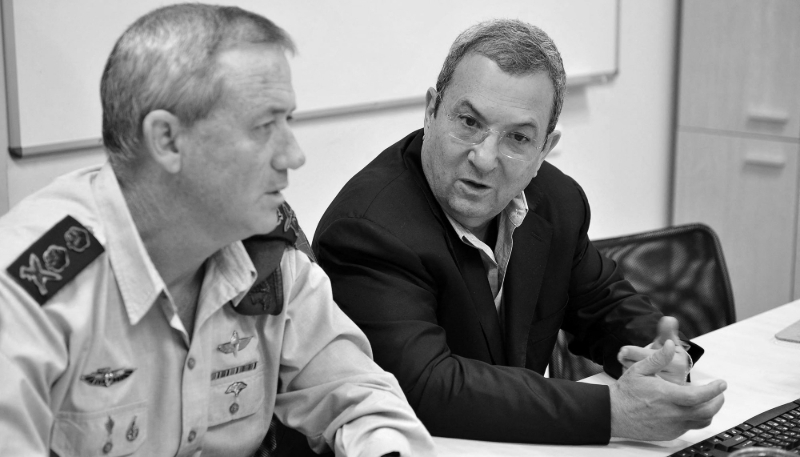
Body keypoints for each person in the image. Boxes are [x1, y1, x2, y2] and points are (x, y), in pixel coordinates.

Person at [0, 4, 436, 457]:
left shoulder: (264, 254)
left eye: (288, 120)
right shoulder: (30, 290)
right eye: (265, 125)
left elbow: (361, 400)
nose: (293, 154)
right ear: (168, 139)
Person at [313, 19, 727, 445]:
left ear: (544, 149)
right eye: (470, 122)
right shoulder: (367, 231)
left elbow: (602, 302)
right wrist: (613, 414)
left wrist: (663, 355)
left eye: (517, 138)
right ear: (432, 109)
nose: (485, 158)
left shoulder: (555, 199)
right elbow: (425, 387)